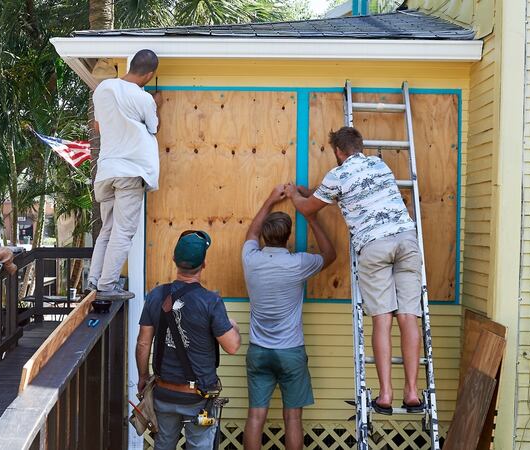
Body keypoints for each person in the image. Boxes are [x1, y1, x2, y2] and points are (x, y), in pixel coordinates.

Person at [285, 126, 425, 415]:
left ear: (338, 151)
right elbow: (347, 195)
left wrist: (293, 195)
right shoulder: (379, 164)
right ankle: (412, 393)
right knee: (409, 316)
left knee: (383, 318)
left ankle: (385, 395)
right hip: (406, 240)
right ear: (360, 146)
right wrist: (309, 192)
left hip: (375, 246)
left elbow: (309, 209)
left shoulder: (337, 175)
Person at [241, 185, 336, 450]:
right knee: (293, 417)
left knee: (255, 416)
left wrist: (270, 200)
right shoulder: (299, 263)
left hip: (259, 351)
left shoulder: (250, 259)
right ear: (288, 237)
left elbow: (251, 232)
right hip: (291, 352)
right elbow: (330, 254)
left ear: (265, 237)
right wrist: (310, 215)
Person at [135, 230, 241, 450]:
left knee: (163, 443)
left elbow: (143, 342)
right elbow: (232, 346)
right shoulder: (211, 301)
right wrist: (234, 327)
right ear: (204, 264)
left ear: (174, 260)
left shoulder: (156, 295)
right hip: (198, 398)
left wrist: (143, 377)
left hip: (164, 392)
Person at [88, 49, 161, 299]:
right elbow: (153, 127)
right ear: (150, 74)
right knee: (123, 232)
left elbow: (98, 126)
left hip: (106, 171)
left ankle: (94, 280)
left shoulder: (104, 89)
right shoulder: (144, 100)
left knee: (107, 229)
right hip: (130, 172)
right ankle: (107, 286)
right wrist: (155, 105)